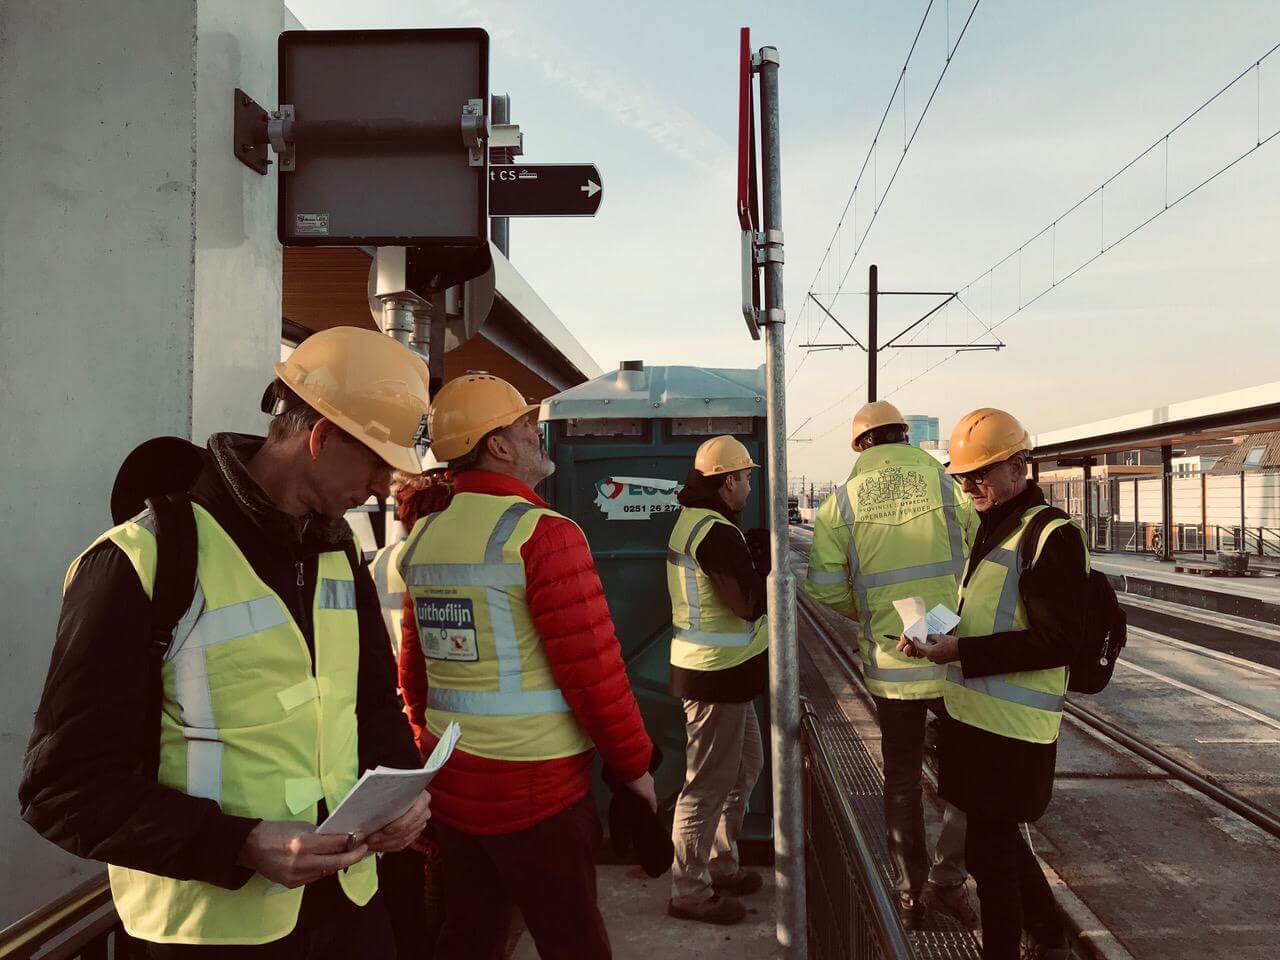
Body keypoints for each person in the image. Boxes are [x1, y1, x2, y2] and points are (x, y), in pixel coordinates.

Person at [19, 326, 434, 957]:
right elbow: (62, 788)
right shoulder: (143, 561)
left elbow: (370, 701)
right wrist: (237, 843)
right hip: (211, 935)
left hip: (349, 912)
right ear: (319, 438)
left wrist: (403, 789)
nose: (384, 486)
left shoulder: (334, 550)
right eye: (378, 460)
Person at [397, 372, 656, 960]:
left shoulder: (425, 537)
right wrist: (635, 765)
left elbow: (414, 674)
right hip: (540, 791)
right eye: (524, 425)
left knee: (471, 936)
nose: (536, 434)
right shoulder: (544, 534)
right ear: (498, 445)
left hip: (454, 784)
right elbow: (593, 671)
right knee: (572, 941)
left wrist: (427, 750)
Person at [899, 408, 1085, 960]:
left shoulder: (1050, 536)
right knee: (995, 846)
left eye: (982, 472)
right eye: (963, 475)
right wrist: (935, 637)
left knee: (990, 857)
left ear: (1020, 466)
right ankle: (1049, 934)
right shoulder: (993, 527)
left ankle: (1010, 948)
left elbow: (1059, 642)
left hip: (1014, 731)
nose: (971, 484)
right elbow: (991, 614)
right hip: (973, 721)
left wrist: (963, 651)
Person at [804, 400, 979, 929]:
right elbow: (980, 558)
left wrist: (874, 616)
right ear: (905, 435)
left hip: (892, 660)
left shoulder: (841, 502)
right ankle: (949, 882)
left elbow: (824, 585)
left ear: (860, 445)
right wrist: (949, 618)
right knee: (965, 777)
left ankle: (909, 895)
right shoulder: (949, 486)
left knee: (901, 778)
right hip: (954, 655)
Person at [665, 435, 770, 926]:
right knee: (706, 785)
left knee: (746, 766)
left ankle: (720, 863)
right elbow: (747, 603)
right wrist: (767, 566)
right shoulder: (714, 532)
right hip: (715, 676)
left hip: (726, 675)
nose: (750, 486)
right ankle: (689, 888)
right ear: (728, 482)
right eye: (746, 478)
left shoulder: (703, 523)